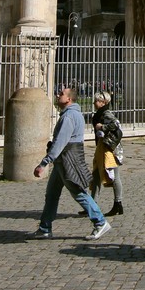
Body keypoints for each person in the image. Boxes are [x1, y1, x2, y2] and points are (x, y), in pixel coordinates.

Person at [31, 85, 111, 240]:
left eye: (61, 94)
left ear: (69, 99)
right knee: (52, 194)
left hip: (68, 159)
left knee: (79, 193)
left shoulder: (68, 117)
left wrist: (44, 163)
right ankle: (45, 227)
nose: (57, 95)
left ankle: (100, 222)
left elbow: (60, 143)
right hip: (63, 161)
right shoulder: (73, 114)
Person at [89, 91, 125, 216]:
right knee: (96, 175)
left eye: (97, 101)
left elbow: (116, 124)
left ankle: (118, 203)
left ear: (103, 102)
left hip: (110, 148)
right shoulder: (100, 113)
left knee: (114, 175)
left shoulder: (106, 113)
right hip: (102, 146)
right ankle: (92, 205)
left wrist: (102, 127)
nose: (94, 103)